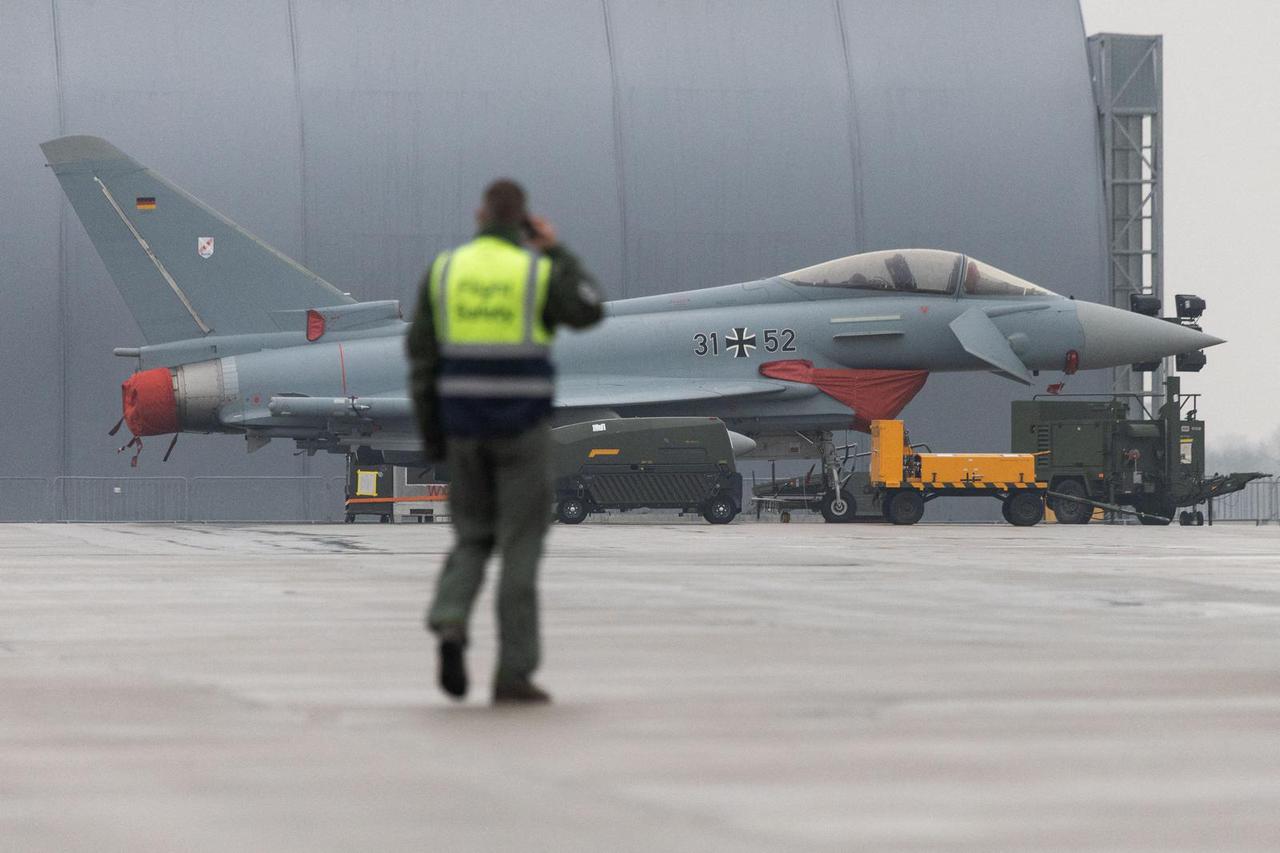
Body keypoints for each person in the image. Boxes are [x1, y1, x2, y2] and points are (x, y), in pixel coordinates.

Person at [407, 179, 603, 704]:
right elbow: (589, 309)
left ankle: (450, 617)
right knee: (520, 547)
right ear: (525, 220)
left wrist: (433, 436)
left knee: (472, 538)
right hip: (522, 429)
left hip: (464, 428)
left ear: (480, 214)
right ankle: (512, 674)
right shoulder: (536, 271)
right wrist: (555, 249)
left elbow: (421, 359)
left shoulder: (446, 270)